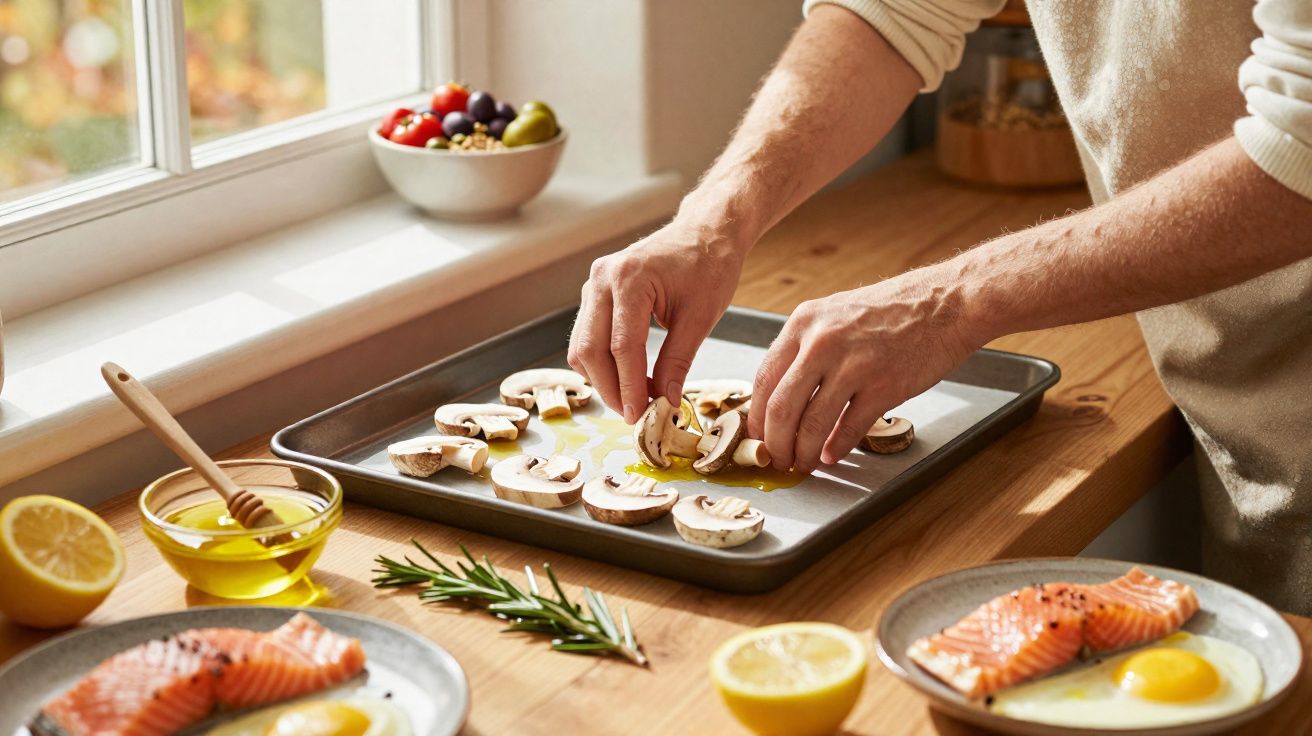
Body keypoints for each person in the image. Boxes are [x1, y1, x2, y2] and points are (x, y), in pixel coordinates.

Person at [567, 0, 1312, 613]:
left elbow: (1300, 147)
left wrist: (950, 301)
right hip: (1245, 416)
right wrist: (712, 221)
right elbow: (890, 13)